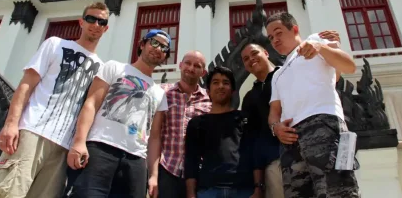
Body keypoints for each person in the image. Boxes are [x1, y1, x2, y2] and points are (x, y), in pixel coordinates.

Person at [0, 2, 110, 198]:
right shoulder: (55, 44)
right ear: (81, 22)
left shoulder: (102, 69)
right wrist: (11, 124)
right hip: (32, 131)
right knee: (8, 192)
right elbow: (26, 85)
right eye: (91, 19)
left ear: (106, 28)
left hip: (64, 145)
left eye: (101, 21)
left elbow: (90, 109)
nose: (96, 24)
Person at [65, 29, 171, 198]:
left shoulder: (160, 93)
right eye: (155, 43)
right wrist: (79, 142)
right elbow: (91, 103)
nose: (158, 49)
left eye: (164, 48)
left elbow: (155, 137)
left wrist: (153, 175)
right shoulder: (114, 67)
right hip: (100, 148)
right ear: (143, 44)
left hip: (136, 160)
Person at [266, 12, 360, 198]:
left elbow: (349, 66)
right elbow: (274, 112)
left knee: (338, 191)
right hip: (290, 143)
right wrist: (276, 128)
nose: (275, 40)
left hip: (324, 126)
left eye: (278, 33)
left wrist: (320, 48)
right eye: (270, 37)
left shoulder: (315, 41)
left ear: (294, 29)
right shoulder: (277, 74)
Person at [240, 30, 341, 198]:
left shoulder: (290, 73)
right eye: (245, 59)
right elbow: (252, 139)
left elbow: (331, 80)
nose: (251, 59)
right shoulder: (250, 98)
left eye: (254, 53)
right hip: (276, 163)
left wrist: (331, 48)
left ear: (266, 53)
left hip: (316, 148)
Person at [185, 66, 261, 198]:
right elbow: (191, 161)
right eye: (215, 82)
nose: (221, 86)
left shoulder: (244, 119)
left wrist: (259, 188)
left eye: (226, 83)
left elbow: (255, 155)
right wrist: (191, 194)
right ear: (208, 91)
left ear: (232, 91)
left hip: (244, 190)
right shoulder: (196, 123)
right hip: (208, 191)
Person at [153, 51, 210, 198]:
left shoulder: (209, 99)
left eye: (197, 66)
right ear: (180, 65)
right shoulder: (161, 92)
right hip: (166, 168)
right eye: (188, 63)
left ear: (203, 72)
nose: (191, 68)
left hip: (198, 171)